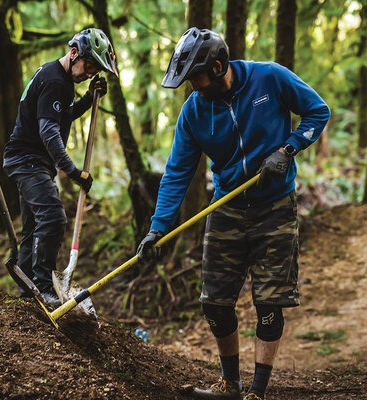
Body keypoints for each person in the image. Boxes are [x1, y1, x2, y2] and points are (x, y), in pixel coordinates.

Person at [136, 28, 330, 400]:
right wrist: (157, 228)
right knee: (215, 302)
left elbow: (317, 111)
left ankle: (256, 391)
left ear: (220, 65)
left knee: (269, 302)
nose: (194, 88)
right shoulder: (194, 110)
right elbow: (177, 171)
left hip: (275, 207)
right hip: (226, 207)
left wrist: (287, 150)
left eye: (197, 79)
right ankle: (230, 386)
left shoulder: (269, 77)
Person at [3, 28, 118, 307]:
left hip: (30, 161)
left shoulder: (59, 80)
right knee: (53, 218)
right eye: (89, 66)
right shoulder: (55, 80)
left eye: (95, 70)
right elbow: (49, 132)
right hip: (28, 161)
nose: (89, 73)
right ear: (75, 53)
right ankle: (42, 287)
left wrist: (88, 99)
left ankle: (26, 290)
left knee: (32, 228)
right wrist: (73, 171)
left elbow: (63, 117)